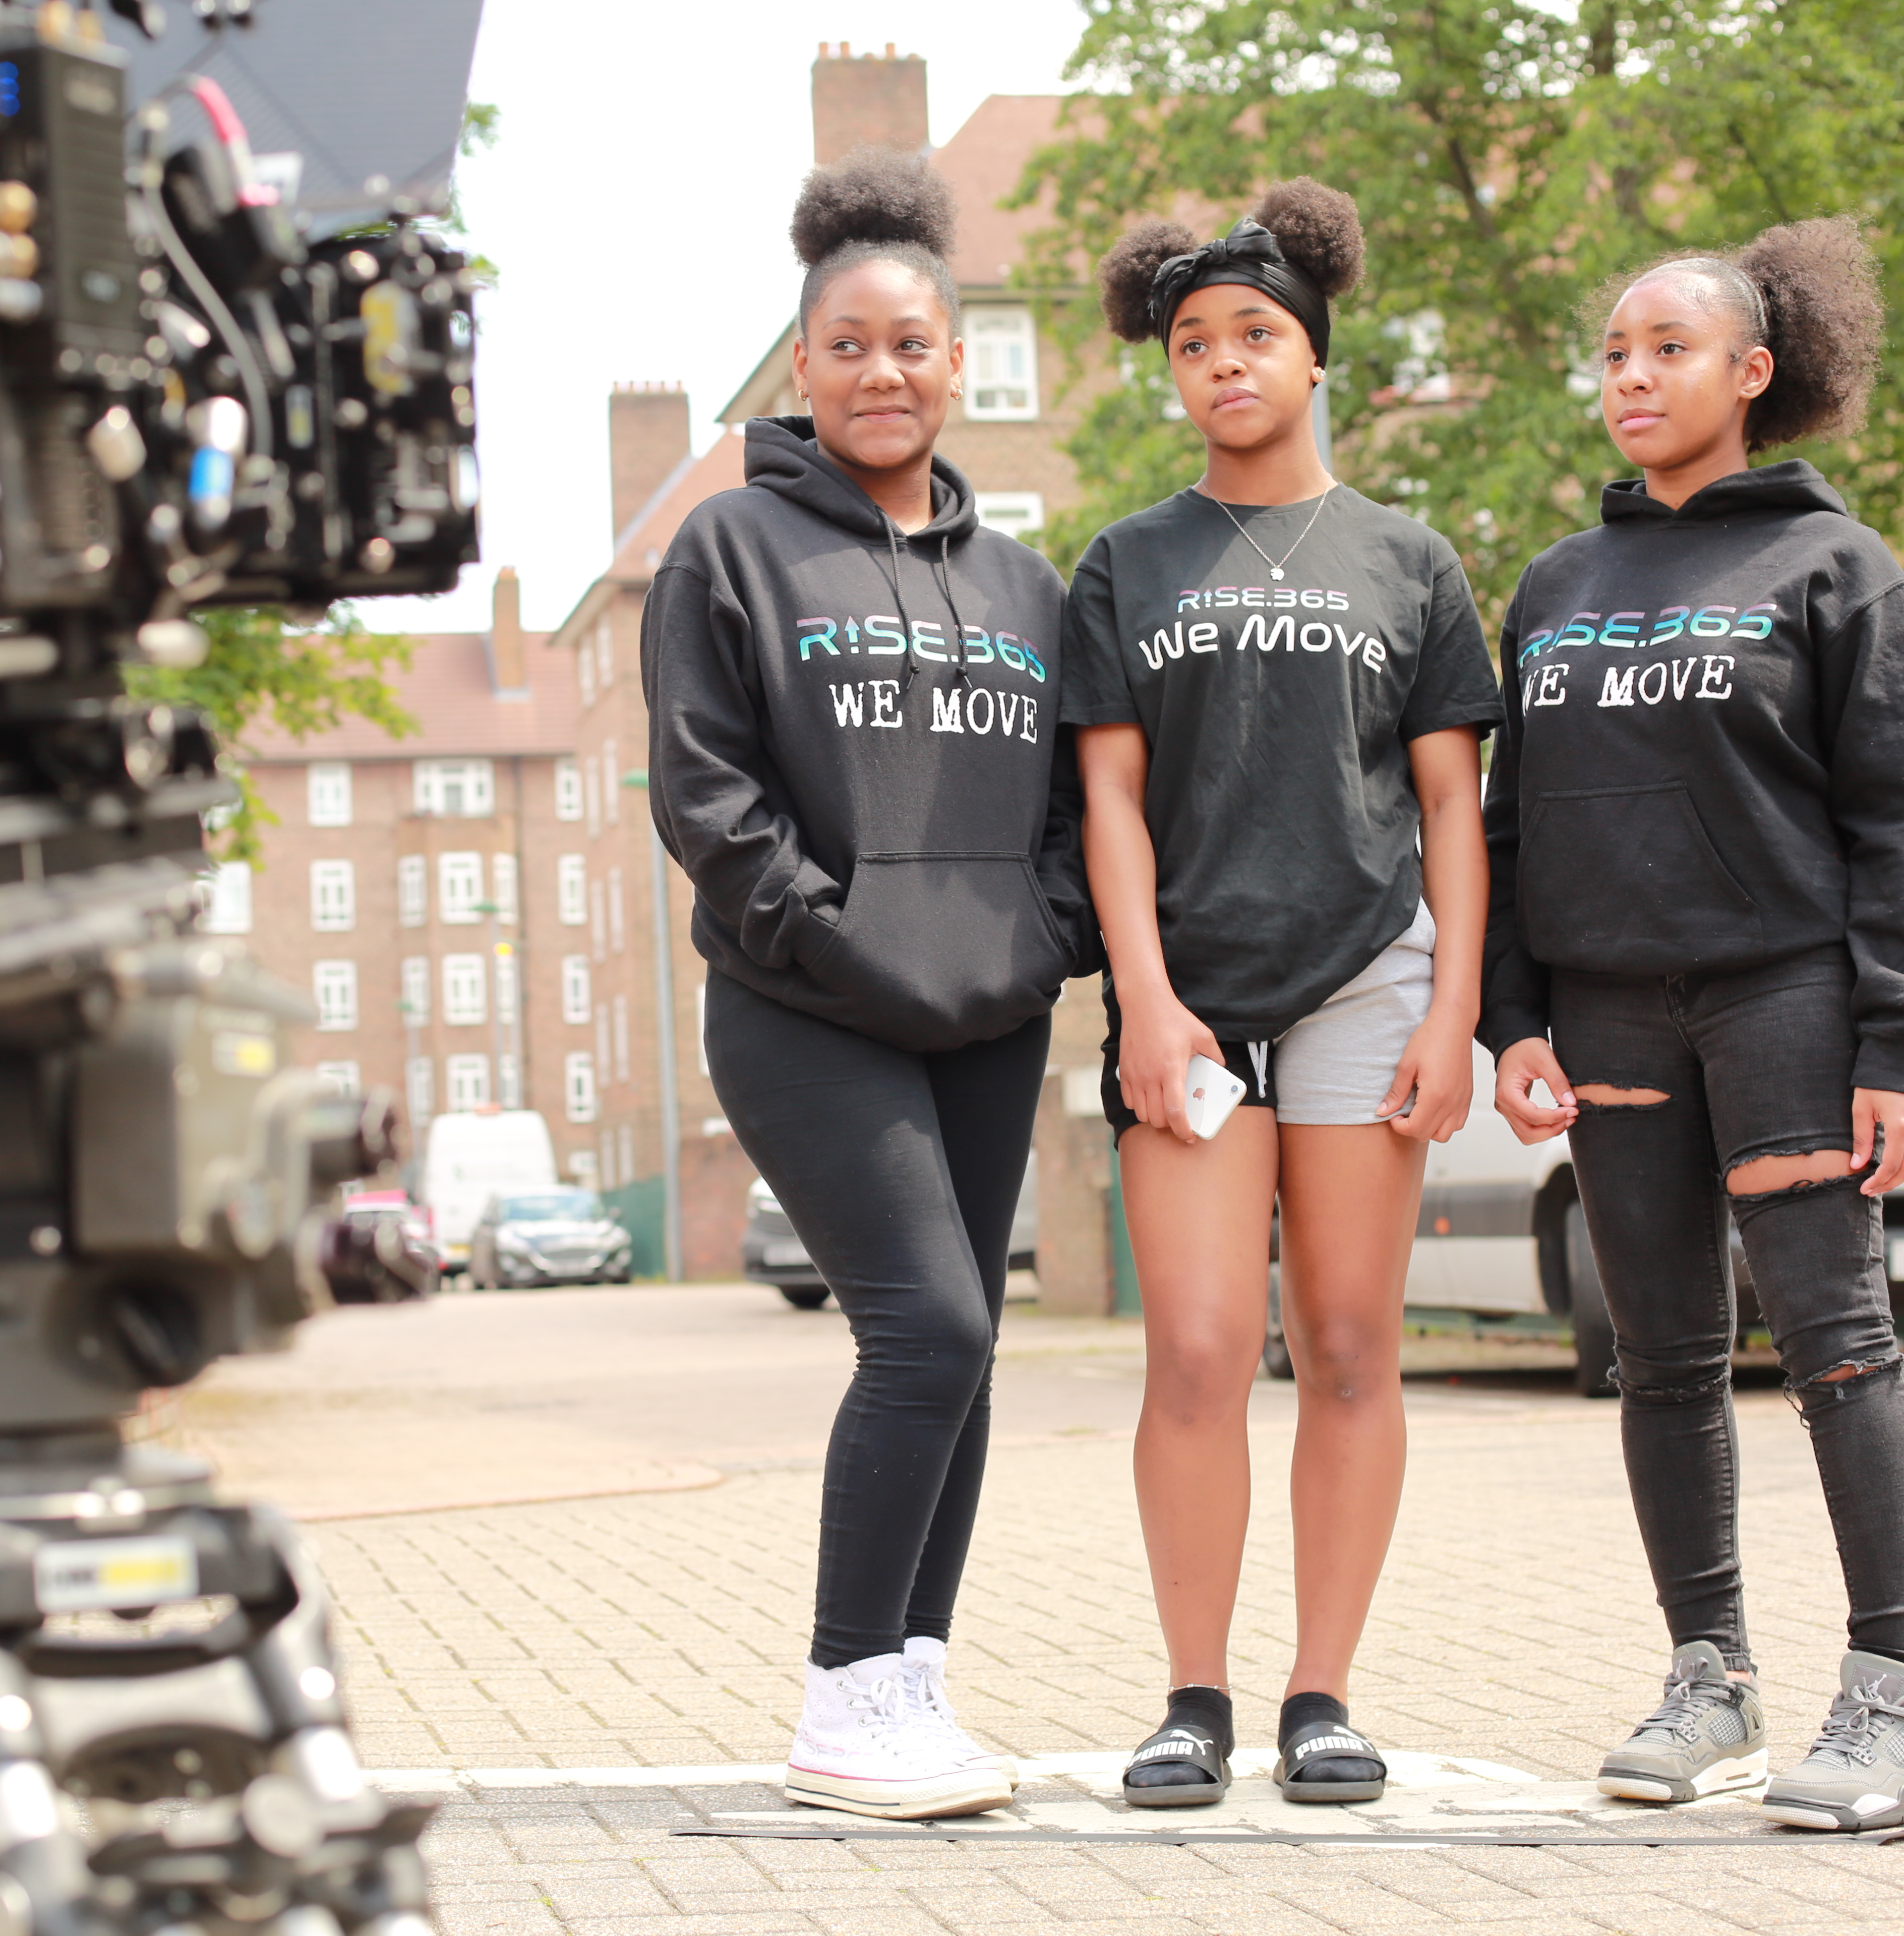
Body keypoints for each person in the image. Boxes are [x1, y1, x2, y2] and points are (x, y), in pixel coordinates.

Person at [1479, 218, 1904, 1832]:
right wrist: (1513, 1021)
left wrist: (1902, 1043)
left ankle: (1898, 1701)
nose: (1630, 377)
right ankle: (1712, 1682)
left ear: (1753, 374)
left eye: (1666, 349)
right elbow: (1509, 824)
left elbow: (1903, 821)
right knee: (1661, 1363)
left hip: (1785, 996)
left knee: (1838, 1346)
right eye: (1614, 353)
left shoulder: (1837, 569)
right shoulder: (1558, 581)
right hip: (1612, 1012)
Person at [643, 147, 1092, 1823]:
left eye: (911, 343)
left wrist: (1041, 940)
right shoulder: (730, 551)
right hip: (807, 1007)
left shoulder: (1024, 585)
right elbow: (707, 800)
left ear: (954, 361)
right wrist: (834, 936)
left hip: (987, 1013)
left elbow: (1065, 807)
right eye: (848, 345)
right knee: (933, 1327)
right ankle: (844, 1693)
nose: (882, 372)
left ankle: (912, 1679)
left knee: (968, 1357)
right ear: (802, 366)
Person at [1063, 182, 1503, 1809]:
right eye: (1194, 344)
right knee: (1191, 1351)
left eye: (1256, 335)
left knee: (1344, 1342)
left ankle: (1325, 1694)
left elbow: (1453, 808)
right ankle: (1194, 1696)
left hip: (1368, 985)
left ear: (1315, 354)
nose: (1225, 363)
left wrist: (1453, 1010)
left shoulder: (1408, 559)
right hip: (1191, 1001)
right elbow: (1109, 801)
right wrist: (1148, 1000)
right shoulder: (1126, 561)